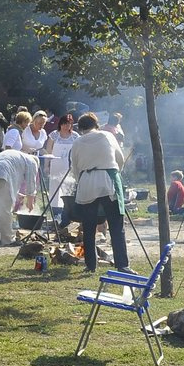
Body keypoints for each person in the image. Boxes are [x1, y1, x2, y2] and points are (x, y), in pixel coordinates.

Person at [67, 113, 128, 272]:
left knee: (88, 227)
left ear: (80, 129)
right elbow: (120, 159)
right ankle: (122, 265)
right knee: (116, 225)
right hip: (108, 179)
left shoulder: (77, 142)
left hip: (87, 181)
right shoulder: (107, 135)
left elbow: (75, 168)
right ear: (96, 125)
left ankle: (90, 265)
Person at [0, 146, 39, 247]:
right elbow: (31, 183)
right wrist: (30, 201)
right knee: (5, 209)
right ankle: (7, 239)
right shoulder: (32, 162)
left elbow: (10, 179)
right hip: (0, 173)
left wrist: (17, 194)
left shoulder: (16, 155)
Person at [44, 112, 80, 223]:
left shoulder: (75, 136)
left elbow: (78, 152)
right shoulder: (54, 135)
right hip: (55, 166)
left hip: (69, 168)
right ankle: (55, 213)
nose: (66, 126)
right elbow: (48, 151)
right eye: (64, 124)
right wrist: (46, 165)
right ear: (60, 124)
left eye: (68, 124)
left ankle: (67, 213)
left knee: (68, 190)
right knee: (54, 189)